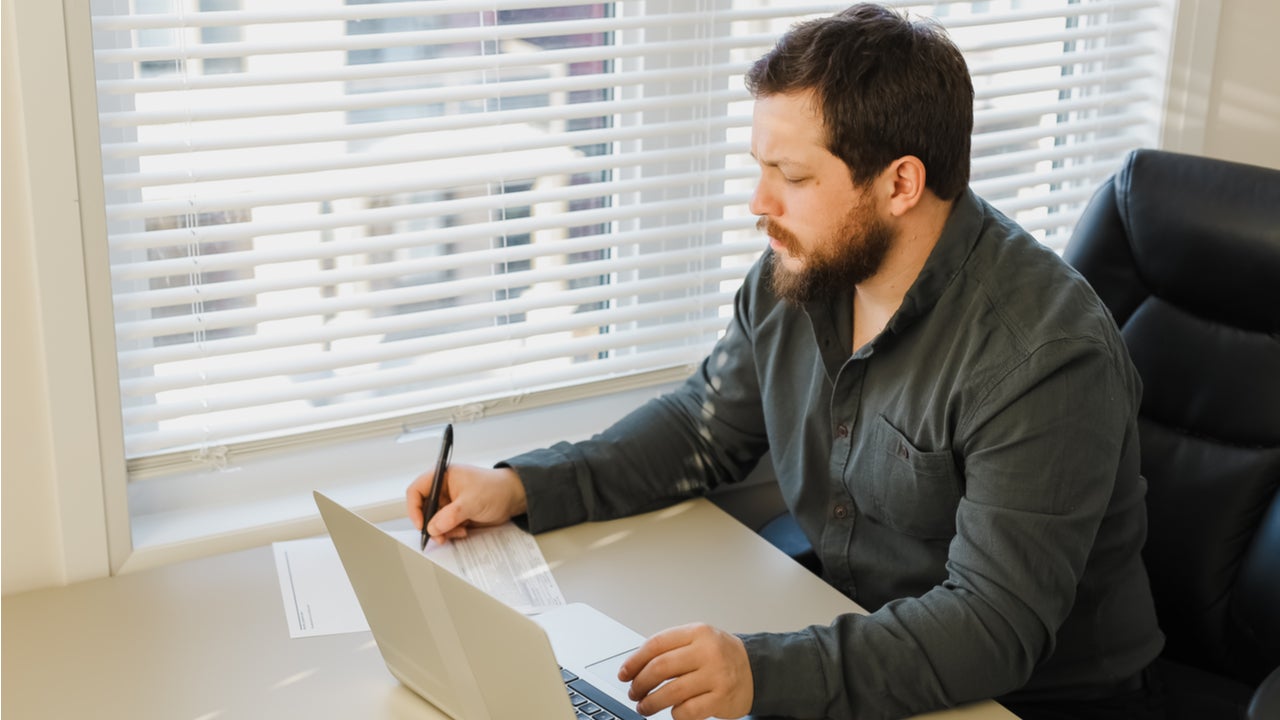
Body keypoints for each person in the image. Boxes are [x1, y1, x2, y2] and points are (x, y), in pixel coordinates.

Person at [406, 4, 1166, 720]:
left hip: (1025, 696)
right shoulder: (804, 269)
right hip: (848, 627)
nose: (757, 202)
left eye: (793, 177)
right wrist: (521, 487)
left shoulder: (1044, 356)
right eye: (760, 166)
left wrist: (761, 673)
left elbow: (992, 626)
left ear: (900, 183)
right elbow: (703, 427)